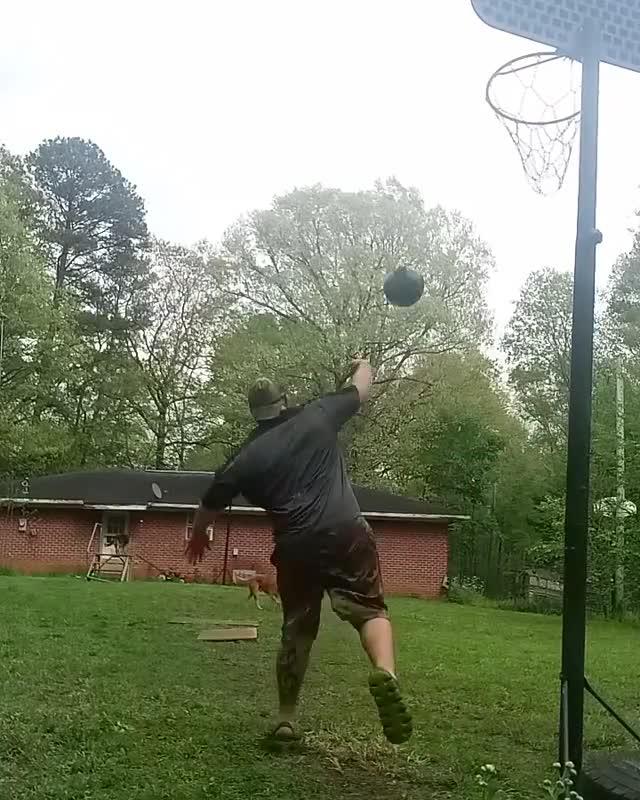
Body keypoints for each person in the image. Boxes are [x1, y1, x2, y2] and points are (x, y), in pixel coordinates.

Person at [185, 359, 412, 745]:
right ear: (285, 400)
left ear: (254, 414)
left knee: (297, 628)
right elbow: (361, 387)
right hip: (346, 532)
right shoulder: (318, 414)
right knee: (370, 609)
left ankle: (286, 720)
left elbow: (210, 501)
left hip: (296, 546)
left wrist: (199, 533)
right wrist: (363, 364)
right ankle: (385, 673)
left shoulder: (245, 457)